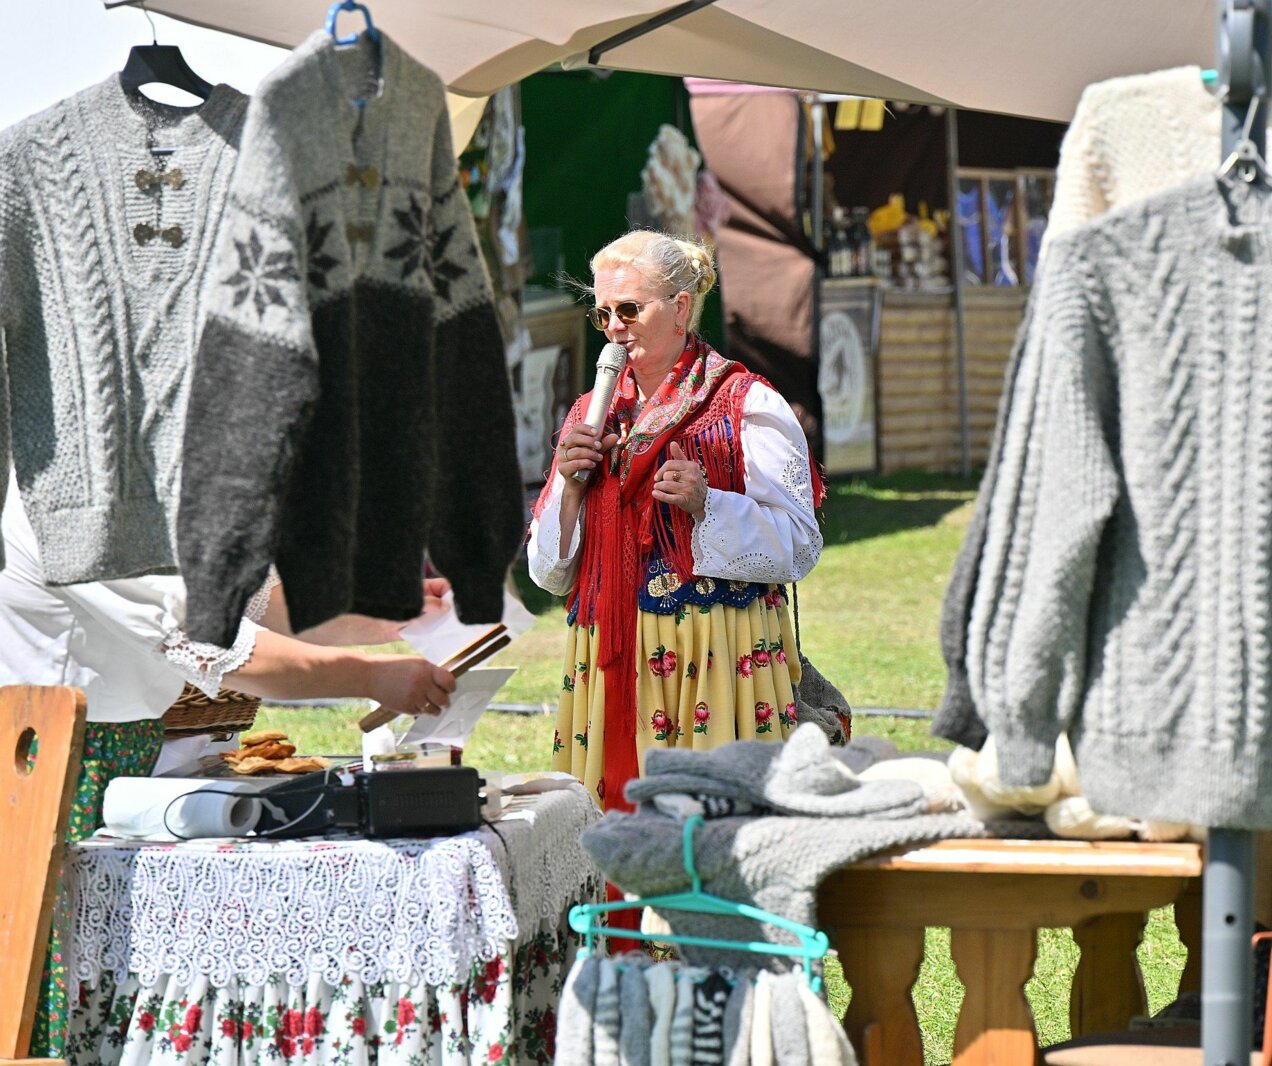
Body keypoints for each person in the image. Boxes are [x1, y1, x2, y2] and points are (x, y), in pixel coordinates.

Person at [0, 470, 458, 1059]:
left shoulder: (141, 484)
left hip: (117, 754)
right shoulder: (73, 496)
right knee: (43, 972)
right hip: (44, 765)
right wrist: (370, 675)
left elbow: (258, 602)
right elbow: (221, 645)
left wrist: (403, 612)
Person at [529, 230, 823, 811]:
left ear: (681, 308)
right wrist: (570, 489)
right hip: (610, 661)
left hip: (714, 656)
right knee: (615, 828)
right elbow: (550, 573)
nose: (615, 328)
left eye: (630, 309)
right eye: (603, 314)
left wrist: (708, 504)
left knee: (710, 829)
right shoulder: (591, 414)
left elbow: (800, 545)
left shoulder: (745, 404)